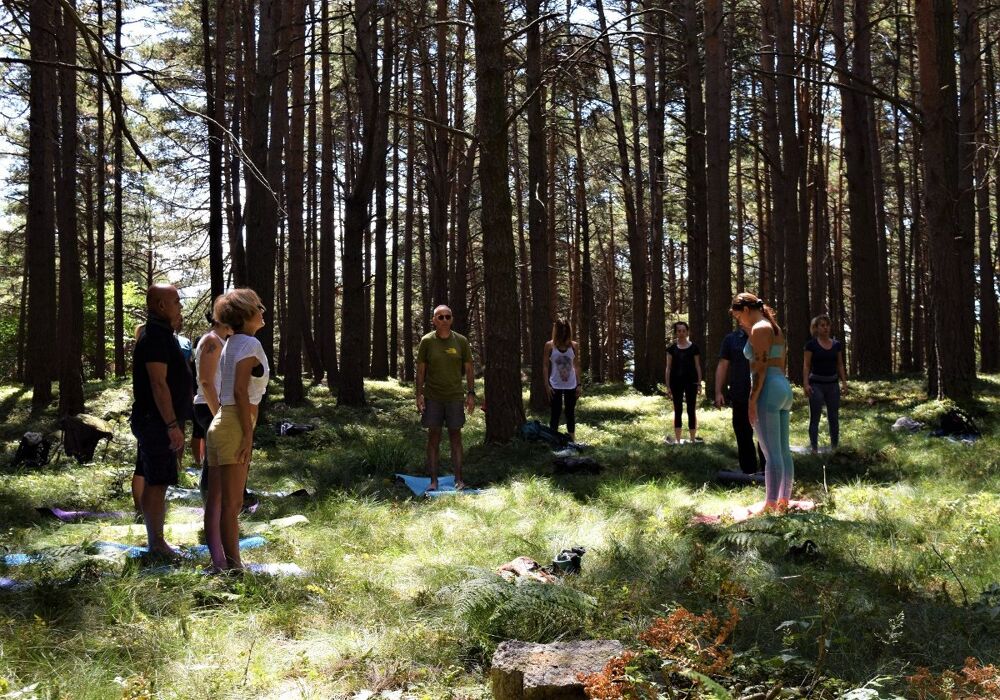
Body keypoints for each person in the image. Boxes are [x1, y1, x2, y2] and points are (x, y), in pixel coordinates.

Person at [205, 288, 269, 571]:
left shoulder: (231, 342)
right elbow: (240, 392)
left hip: (221, 422)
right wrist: (248, 434)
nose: (263, 311)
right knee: (232, 503)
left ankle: (219, 563)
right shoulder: (250, 344)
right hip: (234, 424)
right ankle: (234, 567)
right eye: (258, 307)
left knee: (217, 501)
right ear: (246, 314)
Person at [130, 284, 192, 558]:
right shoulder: (155, 336)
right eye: (176, 301)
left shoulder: (162, 334)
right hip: (156, 422)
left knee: (156, 480)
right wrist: (171, 425)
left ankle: (155, 540)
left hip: (156, 421)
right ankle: (156, 544)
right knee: (157, 482)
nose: (180, 305)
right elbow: (158, 383)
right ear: (161, 305)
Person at [731, 292, 793, 511]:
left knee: (770, 452)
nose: (739, 321)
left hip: (768, 390)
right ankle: (783, 501)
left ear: (746, 310)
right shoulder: (775, 328)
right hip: (783, 388)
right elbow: (780, 363)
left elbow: (759, 368)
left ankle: (770, 504)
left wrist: (752, 401)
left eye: (739, 316)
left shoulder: (760, 328)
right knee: (783, 451)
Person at [416, 304, 475, 491]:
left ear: (452, 319)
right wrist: (419, 394)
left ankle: (459, 480)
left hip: (455, 397)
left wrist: (471, 393)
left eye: (447, 316)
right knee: (433, 438)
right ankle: (433, 481)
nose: (444, 320)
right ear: (434, 320)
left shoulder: (461, 341)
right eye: (440, 317)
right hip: (433, 397)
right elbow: (421, 370)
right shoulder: (427, 341)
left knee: (455, 438)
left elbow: (469, 368)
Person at [192, 300, 232, 571]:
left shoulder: (222, 341)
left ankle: (216, 517)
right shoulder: (211, 341)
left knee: (214, 464)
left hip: (214, 407)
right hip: (208, 407)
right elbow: (206, 381)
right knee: (213, 467)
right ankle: (212, 518)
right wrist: (219, 413)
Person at [715, 322, 766, 474]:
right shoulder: (731, 339)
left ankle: (767, 470)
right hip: (739, 393)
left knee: (765, 434)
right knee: (743, 433)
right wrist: (718, 392)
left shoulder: (765, 336)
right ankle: (748, 470)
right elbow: (723, 365)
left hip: (763, 394)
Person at [803, 314, 848, 453]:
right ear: (816, 328)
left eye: (827, 325)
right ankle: (814, 449)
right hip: (816, 385)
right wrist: (806, 384)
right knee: (815, 418)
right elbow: (806, 365)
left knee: (833, 417)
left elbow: (840, 364)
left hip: (833, 385)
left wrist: (844, 382)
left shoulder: (836, 345)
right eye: (822, 325)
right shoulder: (811, 345)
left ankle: (834, 448)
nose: (825, 328)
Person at [543, 318, 582, 441]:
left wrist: (579, 384)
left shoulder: (574, 346)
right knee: (555, 412)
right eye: (561, 331)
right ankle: (553, 440)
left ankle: (572, 440)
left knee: (570, 412)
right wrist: (547, 385)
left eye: (566, 330)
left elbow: (576, 365)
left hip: (571, 384)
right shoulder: (549, 346)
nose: (564, 333)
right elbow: (545, 365)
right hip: (555, 384)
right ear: (557, 331)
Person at [665, 321, 702, 443]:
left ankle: (692, 439)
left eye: (683, 331)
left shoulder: (694, 348)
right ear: (676, 333)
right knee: (678, 410)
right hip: (676, 383)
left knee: (691, 409)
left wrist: (699, 383)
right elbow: (668, 368)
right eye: (679, 331)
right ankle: (677, 440)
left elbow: (697, 366)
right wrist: (668, 386)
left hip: (691, 382)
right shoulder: (671, 349)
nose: (681, 333)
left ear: (687, 332)